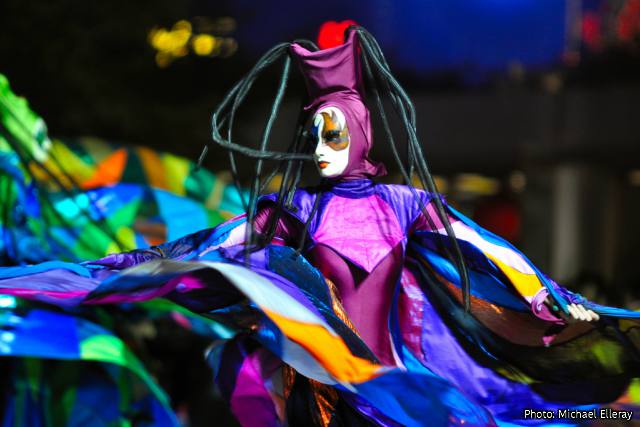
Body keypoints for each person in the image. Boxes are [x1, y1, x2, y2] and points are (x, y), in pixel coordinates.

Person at [1, 26, 640, 427]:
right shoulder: (294, 211)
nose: (317, 142)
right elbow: (195, 251)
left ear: (360, 130)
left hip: (400, 388)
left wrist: (554, 305)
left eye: (331, 129)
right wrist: (101, 273)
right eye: (311, 130)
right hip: (324, 392)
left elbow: (491, 252)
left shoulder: (403, 204)